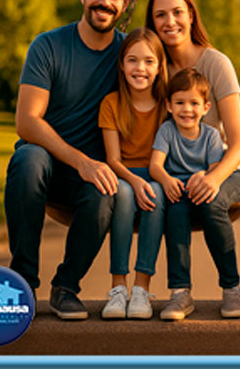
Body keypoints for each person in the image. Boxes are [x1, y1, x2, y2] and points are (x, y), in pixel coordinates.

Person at [4, 0, 129, 320]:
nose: (105, 1)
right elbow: (27, 121)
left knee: (108, 186)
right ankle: (23, 283)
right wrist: (81, 161)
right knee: (28, 159)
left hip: (90, 179)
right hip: (46, 166)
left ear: (123, 4)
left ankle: (66, 287)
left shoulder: (127, 55)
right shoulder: (48, 46)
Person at [145, 0, 240, 319]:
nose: (170, 21)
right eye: (160, 15)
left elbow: (237, 143)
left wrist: (212, 178)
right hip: (180, 175)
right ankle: (180, 293)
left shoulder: (217, 64)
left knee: (212, 199)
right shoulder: (154, 67)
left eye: (178, 12)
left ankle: (232, 288)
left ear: (191, 15)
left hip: (230, 168)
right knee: (174, 205)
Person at [150, 68, 240, 320]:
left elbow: (213, 169)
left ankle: (231, 287)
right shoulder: (167, 131)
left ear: (206, 107)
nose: (187, 109)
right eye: (180, 103)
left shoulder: (210, 135)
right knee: (175, 215)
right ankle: (180, 292)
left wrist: (204, 177)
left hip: (203, 186)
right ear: (169, 105)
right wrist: (165, 179)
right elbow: (155, 164)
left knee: (211, 204)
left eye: (194, 103)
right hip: (178, 190)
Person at [98, 28, 168, 320]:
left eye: (149, 61)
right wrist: (135, 180)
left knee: (157, 192)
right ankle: (118, 288)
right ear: (122, 65)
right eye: (132, 60)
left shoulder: (167, 106)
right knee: (124, 194)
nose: (140, 68)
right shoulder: (112, 104)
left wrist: (150, 181)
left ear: (159, 66)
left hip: (155, 174)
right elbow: (112, 159)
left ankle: (141, 288)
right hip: (124, 173)